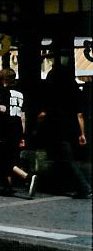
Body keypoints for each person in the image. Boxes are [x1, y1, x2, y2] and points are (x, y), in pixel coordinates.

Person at [37, 65, 91, 199]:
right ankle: (62, 185)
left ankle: (84, 187)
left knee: (66, 159)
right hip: (72, 130)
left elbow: (43, 114)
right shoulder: (75, 92)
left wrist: (37, 125)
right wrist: (82, 134)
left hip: (56, 129)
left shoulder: (50, 92)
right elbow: (80, 115)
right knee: (63, 159)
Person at [0, 68, 36, 197]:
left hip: (5, 130)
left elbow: (2, 108)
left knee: (4, 161)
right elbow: (23, 116)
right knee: (11, 158)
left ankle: (27, 177)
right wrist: (23, 135)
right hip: (17, 130)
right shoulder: (20, 94)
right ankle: (8, 187)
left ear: (3, 80)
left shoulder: (2, 92)